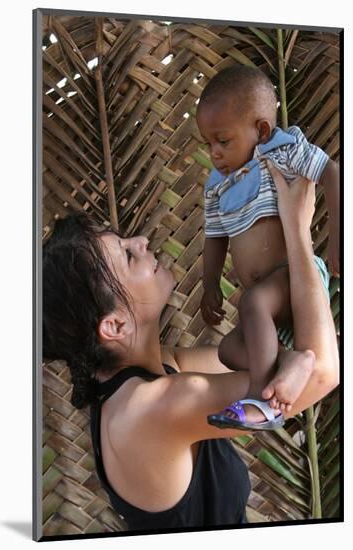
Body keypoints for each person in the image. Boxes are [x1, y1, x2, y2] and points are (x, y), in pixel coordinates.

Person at [42, 164, 338, 531]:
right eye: (128, 255)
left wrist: (292, 357)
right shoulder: (151, 408)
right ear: (114, 325)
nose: (141, 241)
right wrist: (297, 231)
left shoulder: (153, 371)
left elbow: (255, 361)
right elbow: (323, 373)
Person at [196, 65, 339, 430]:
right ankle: (292, 361)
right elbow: (215, 237)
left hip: (294, 279)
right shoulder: (216, 185)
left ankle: (261, 397)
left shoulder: (283, 149)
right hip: (270, 310)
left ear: (260, 130)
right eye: (208, 144)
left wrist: (339, 238)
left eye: (223, 141)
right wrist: (209, 284)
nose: (214, 153)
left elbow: (333, 173)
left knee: (252, 302)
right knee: (228, 349)